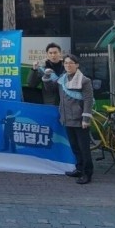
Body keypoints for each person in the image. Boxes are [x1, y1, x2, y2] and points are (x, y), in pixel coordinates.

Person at [43, 54, 94, 184]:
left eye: (71, 63)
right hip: (67, 118)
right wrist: (47, 76)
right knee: (75, 147)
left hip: (80, 119)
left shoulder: (85, 80)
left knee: (84, 148)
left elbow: (88, 100)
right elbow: (51, 89)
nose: (68, 65)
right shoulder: (62, 78)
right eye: (66, 63)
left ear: (77, 65)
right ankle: (79, 169)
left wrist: (86, 119)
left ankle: (87, 173)